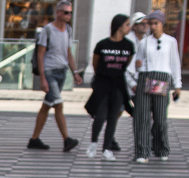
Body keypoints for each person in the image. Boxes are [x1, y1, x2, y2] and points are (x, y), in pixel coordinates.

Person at [27, 0, 83, 152]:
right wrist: (43, 78)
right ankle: (67, 139)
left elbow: (68, 53)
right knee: (58, 104)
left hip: (62, 71)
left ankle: (34, 139)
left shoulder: (68, 30)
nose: (69, 15)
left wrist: (75, 72)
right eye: (66, 12)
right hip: (49, 72)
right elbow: (40, 55)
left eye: (70, 12)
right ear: (58, 13)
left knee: (46, 106)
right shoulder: (48, 30)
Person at [133, 9, 181, 162]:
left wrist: (177, 85)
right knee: (142, 117)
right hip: (146, 77)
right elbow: (138, 65)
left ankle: (161, 147)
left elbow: (175, 63)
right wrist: (138, 66)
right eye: (150, 24)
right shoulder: (144, 42)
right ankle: (142, 151)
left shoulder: (171, 41)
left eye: (156, 23)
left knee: (160, 118)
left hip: (162, 78)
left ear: (162, 24)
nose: (153, 26)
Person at [86, 13, 133, 160]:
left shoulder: (128, 45)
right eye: (127, 24)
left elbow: (126, 64)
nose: (129, 28)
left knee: (113, 117)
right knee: (100, 116)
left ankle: (106, 149)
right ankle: (93, 144)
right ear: (119, 26)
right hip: (103, 84)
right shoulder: (103, 44)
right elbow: (95, 63)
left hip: (118, 84)